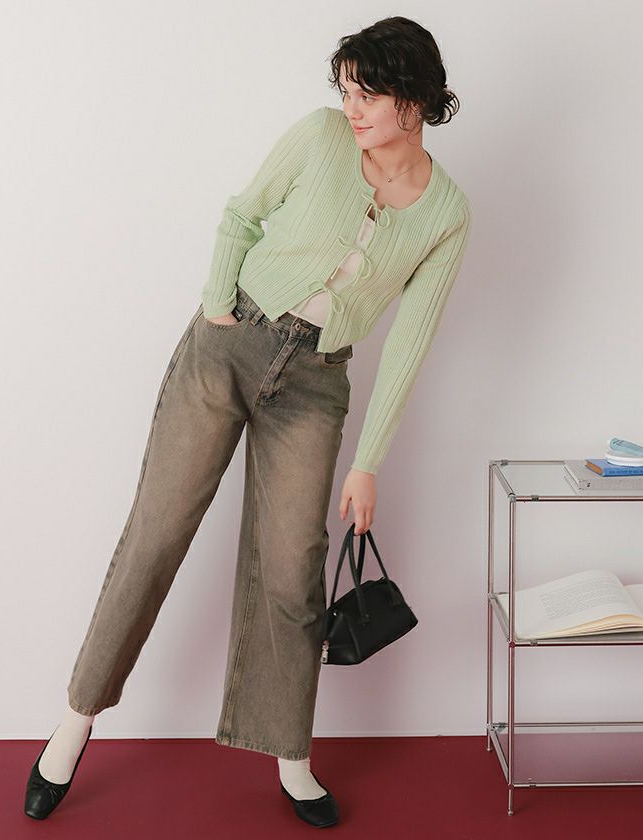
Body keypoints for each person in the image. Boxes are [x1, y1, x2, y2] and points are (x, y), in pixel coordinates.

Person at [24, 15, 472, 829]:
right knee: (157, 533)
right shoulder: (320, 137)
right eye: (345, 89)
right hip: (228, 344)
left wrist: (368, 461)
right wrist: (215, 307)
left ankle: (291, 758)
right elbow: (242, 215)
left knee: (293, 571)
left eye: (367, 93)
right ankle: (75, 721)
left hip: (315, 385)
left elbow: (410, 342)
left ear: (412, 97)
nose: (351, 107)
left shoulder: (446, 212)